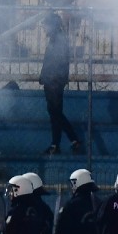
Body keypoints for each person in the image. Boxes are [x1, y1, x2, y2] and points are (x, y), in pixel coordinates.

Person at [39, 12, 82, 154]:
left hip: (54, 82)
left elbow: (56, 63)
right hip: (52, 81)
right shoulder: (57, 40)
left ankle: (68, 141)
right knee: (55, 113)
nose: (44, 28)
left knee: (55, 113)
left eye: (46, 25)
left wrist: (47, 77)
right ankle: (58, 143)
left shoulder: (59, 41)